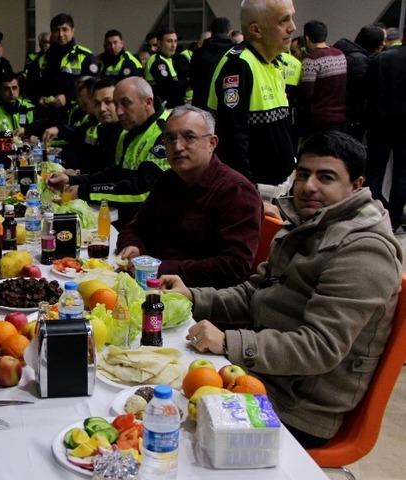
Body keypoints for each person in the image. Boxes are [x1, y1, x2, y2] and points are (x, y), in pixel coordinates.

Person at [165, 130, 403, 448]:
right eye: (303, 174)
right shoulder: (309, 224)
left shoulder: (364, 250)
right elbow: (254, 293)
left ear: (355, 185)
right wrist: (194, 297)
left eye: (326, 177)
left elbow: (319, 347)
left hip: (298, 409)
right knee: (157, 387)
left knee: (167, 431)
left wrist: (229, 342)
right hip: (263, 377)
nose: (308, 186)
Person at [116, 106, 262, 288]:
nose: (177, 147)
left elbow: (234, 267)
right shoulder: (168, 180)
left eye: (189, 137)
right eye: (170, 139)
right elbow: (133, 229)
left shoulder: (236, 191)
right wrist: (134, 248)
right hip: (149, 284)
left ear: (212, 143)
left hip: (199, 298)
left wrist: (159, 267)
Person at [48, 77, 169, 227]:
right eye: (117, 104)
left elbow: (142, 191)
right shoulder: (127, 133)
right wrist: (72, 180)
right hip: (129, 222)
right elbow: (115, 174)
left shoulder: (167, 133)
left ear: (148, 102)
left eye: (125, 104)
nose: (119, 112)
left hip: (159, 227)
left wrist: (84, 191)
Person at [208, 0, 297, 190]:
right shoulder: (238, 65)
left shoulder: (272, 63)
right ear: (256, 30)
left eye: (292, 18)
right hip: (256, 194)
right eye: (284, 21)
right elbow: (232, 141)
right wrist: (248, 192)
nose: (293, 27)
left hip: (279, 186)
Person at [364, 36, 406, 231]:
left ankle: (367, 213)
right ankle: (394, 219)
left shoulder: (383, 58)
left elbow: (368, 91)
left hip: (379, 123)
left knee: (374, 170)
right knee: (402, 173)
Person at [26, 13, 97, 119]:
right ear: (52, 33)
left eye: (65, 29)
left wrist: (67, 97)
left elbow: (93, 87)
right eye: (56, 30)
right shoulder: (42, 59)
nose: (60, 34)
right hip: (46, 116)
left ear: (73, 31)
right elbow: (30, 87)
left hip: (76, 115)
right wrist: (39, 98)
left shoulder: (85, 56)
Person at [333, 25, 386, 140]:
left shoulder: (347, 52)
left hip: (339, 111)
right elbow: (361, 90)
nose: (384, 44)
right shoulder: (360, 61)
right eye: (382, 41)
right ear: (374, 43)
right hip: (351, 115)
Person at [299, 20, 347, 136]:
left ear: (307, 38)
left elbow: (307, 93)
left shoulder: (311, 60)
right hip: (340, 116)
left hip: (320, 119)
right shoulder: (340, 54)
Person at [191, 17, 234, 108]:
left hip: (201, 106)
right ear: (229, 32)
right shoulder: (234, 52)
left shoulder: (199, 53)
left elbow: (193, 81)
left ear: (211, 32)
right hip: (227, 104)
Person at [144, 28, 188, 108]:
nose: (173, 45)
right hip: (164, 109)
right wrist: (188, 81)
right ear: (159, 43)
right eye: (169, 41)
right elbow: (169, 87)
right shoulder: (157, 60)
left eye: (175, 41)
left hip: (173, 107)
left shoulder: (170, 59)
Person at [0, 74, 37, 139]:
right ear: (0, 92)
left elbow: (38, 129)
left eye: (14, 88)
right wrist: (10, 134)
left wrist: (33, 136)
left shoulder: (30, 108)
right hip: (4, 147)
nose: (11, 93)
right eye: (6, 89)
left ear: (19, 89)